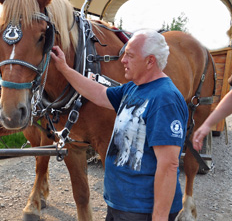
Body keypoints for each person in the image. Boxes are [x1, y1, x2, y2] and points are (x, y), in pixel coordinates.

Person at [50, 29, 188, 221]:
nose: (123, 60)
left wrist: (160, 216)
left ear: (150, 61)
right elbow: (98, 94)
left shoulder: (165, 99)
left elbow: (169, 165)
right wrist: (64, 69)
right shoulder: (134, 88)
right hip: (120, 204)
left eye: (130, 55)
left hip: (142, 210)